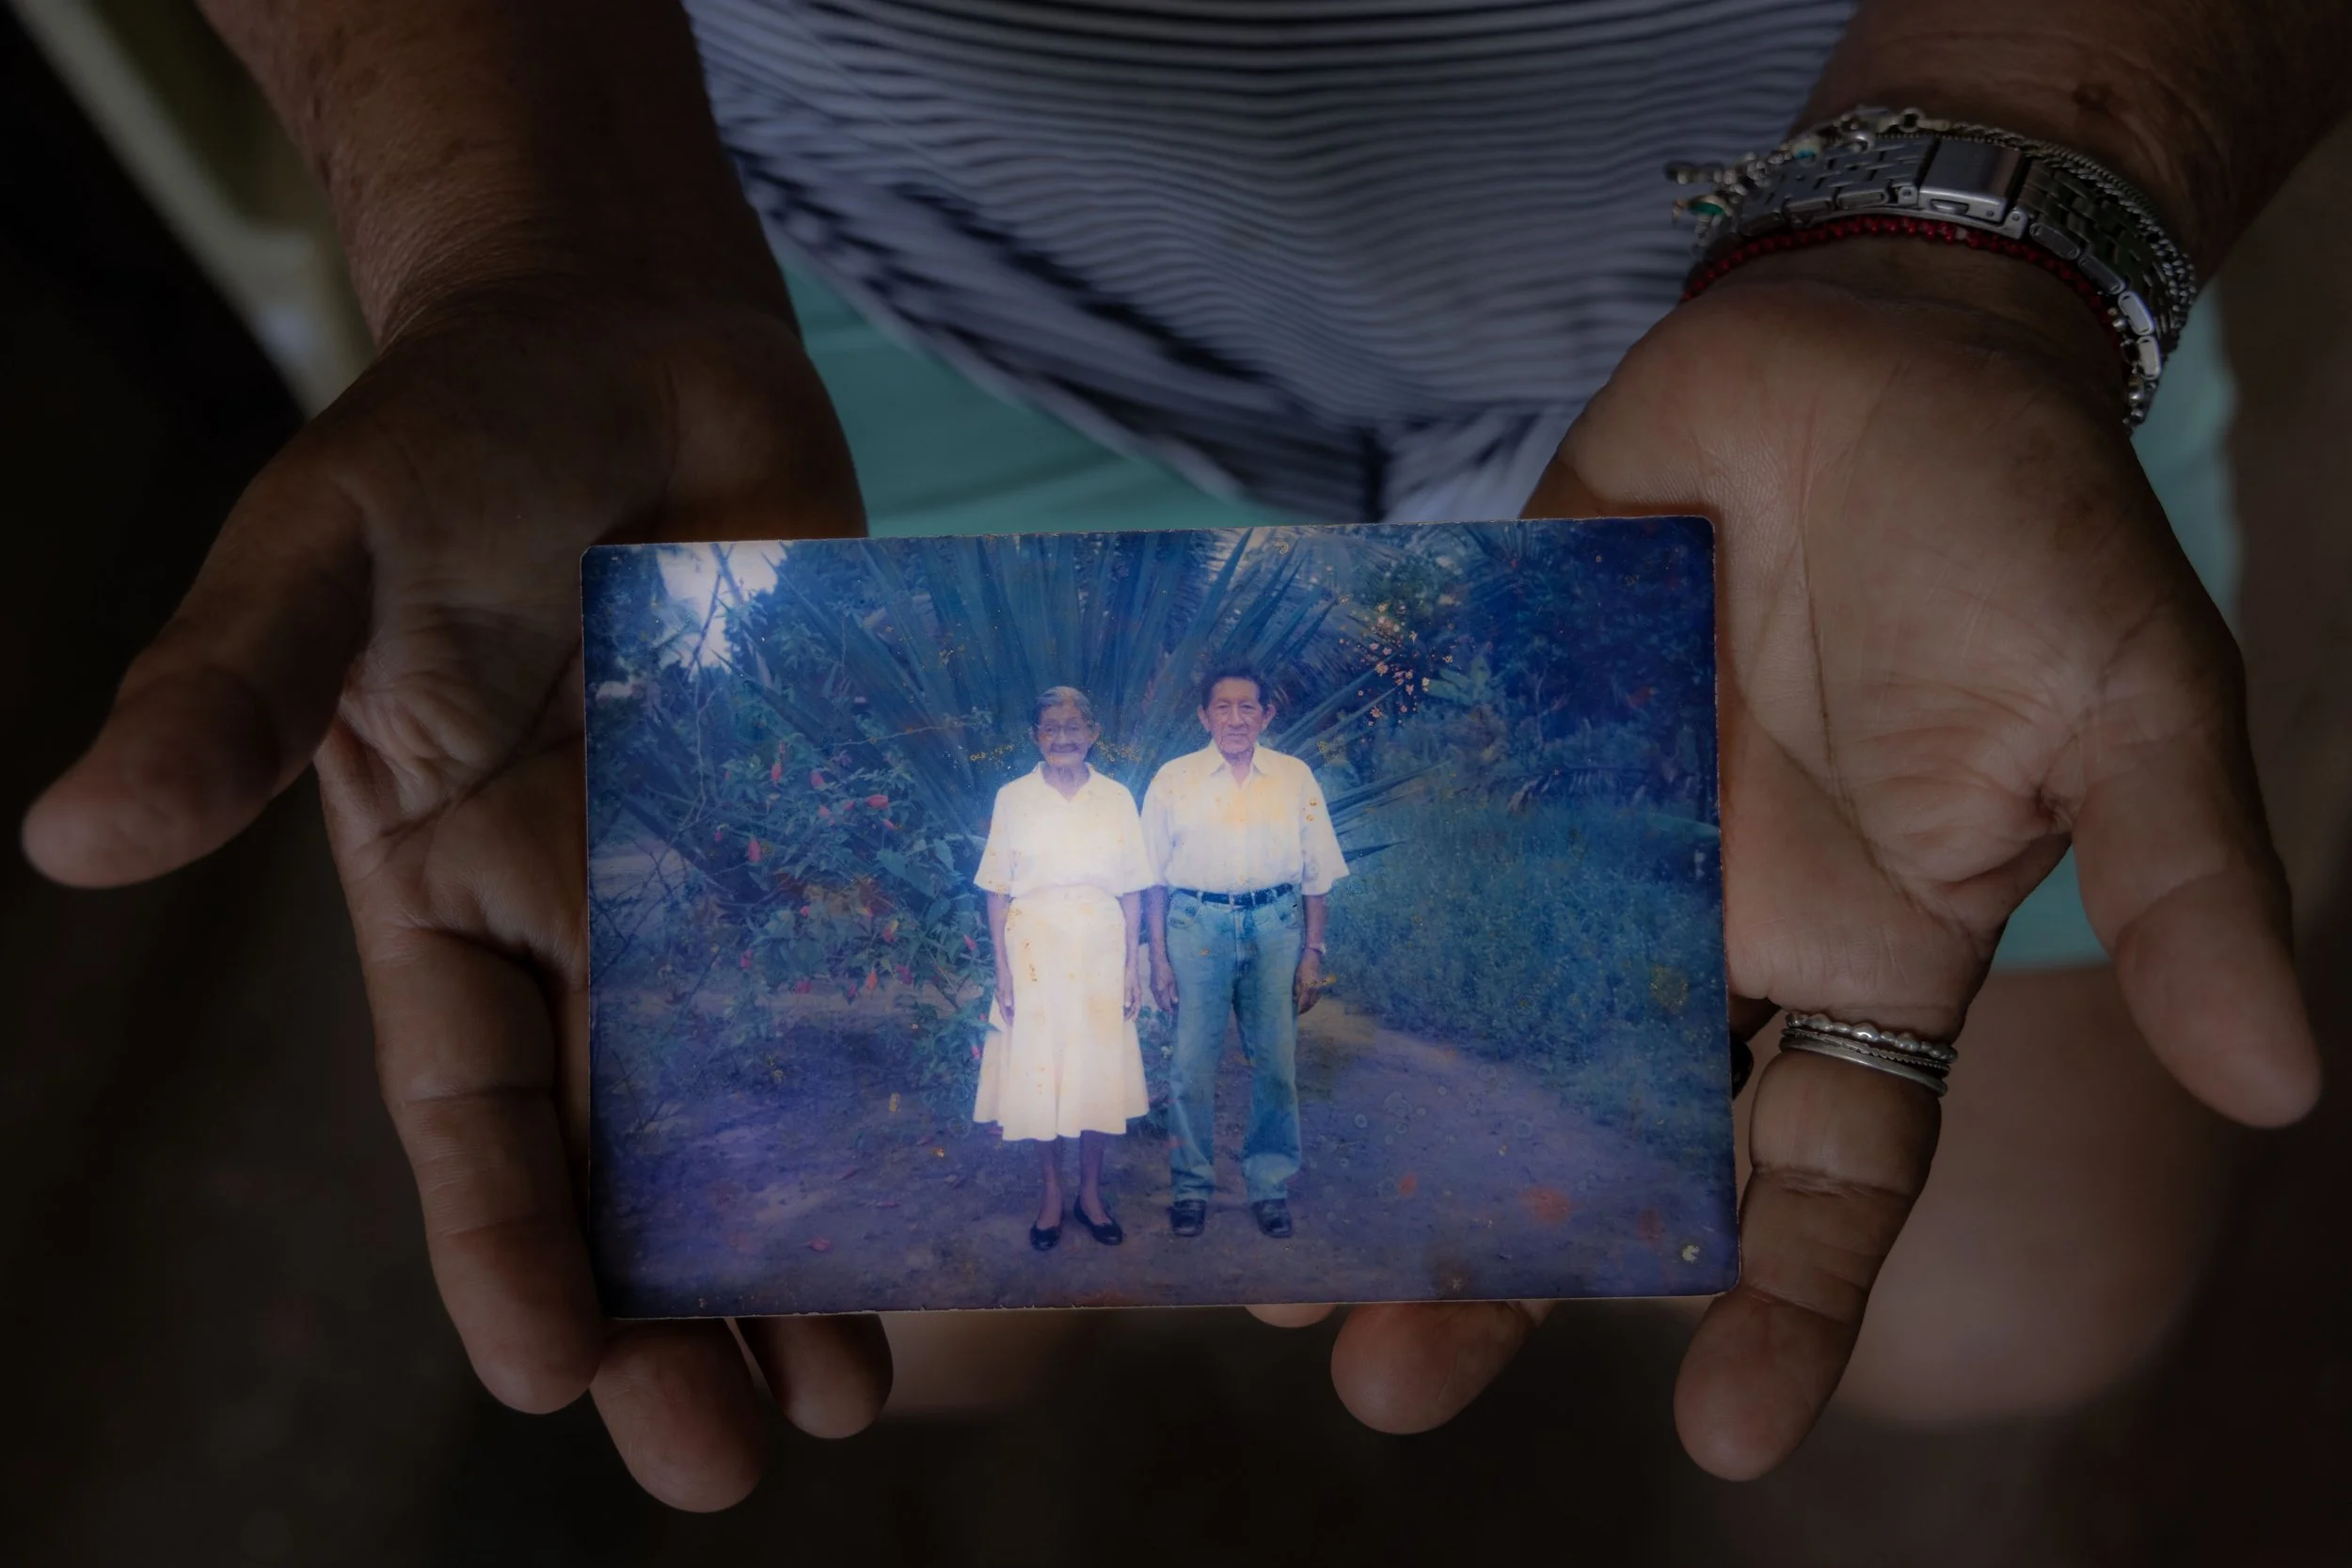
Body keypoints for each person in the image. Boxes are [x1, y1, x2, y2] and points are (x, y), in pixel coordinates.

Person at [19, 0, 2348, 1514]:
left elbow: (1309, 846)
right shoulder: (1080, 777)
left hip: (1894, 245)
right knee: (917, 1311)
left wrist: (1982, 245)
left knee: (2026, 1288)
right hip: (873, 295)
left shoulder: (1232, 775)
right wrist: (533, 223)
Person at [1142, 665, 1348, 1242]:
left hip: (1275, 924)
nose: (1235, 719)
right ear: (1204, 717)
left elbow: (1317, 872)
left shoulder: (1294, 777)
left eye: (1247, 708)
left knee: (1277, 1064)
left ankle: (1269, 1183)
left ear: (1267, 715)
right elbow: (1153, 879)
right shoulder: (1173, 779)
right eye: (1223, 708)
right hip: (1194, 925)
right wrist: (1157, 957)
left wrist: (1312, 951)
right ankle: (1190, 1187)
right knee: (1189, 1067)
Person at [970, 687, 1153, 1252]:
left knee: (1097, 1074)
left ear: (1094, 733)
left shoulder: (1118, 798)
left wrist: (1131, 965)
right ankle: (1052, 1194)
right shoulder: (1013, 798)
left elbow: (1132, 890)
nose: (1064, 738)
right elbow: (997, 890)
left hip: (1101, 951)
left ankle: (1091, 1195)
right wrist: (1002, 971)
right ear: (1036, 738)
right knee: (1041, 1074)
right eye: (1051, 728)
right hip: (1034, 954)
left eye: (1075, 726)